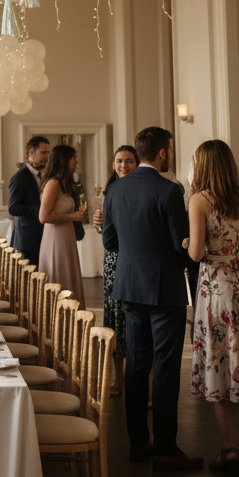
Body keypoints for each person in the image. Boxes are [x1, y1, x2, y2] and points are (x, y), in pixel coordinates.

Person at [103, 125, 203, 472]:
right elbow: (181, 245)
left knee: (136, 365)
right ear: (163, 152)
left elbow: (109, 242)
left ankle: (137, 443)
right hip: (164, 289)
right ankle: (164, 448)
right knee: (166, 368)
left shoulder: (115, 191)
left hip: (130, 287)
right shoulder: (169, 190)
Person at [188, 140, 239, 476]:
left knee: (222, 361)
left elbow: (194, 253)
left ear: (203, 166)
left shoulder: (199, 200)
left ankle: (229, 449)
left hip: (218, 286)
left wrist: (186, 243)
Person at [94, 145, 139, 396]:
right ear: (113, 165)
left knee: (137, 319)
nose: (124, 165)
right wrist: (99, 225)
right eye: (119, 161)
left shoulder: (143, 187)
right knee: (114, 317)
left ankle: (143, 382)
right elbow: (108, 232)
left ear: (137, 163)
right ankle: (118, 378)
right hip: (114, 260)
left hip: (136, 258)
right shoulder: (111, 190)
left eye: (129, 161)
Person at [38, 144, 86, 306]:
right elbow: (43, 217)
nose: (76, 162)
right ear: (64, 160)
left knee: (68, 274)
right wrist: (73, 216)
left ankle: (71, 319)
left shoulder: (64, 183)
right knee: (59, 275)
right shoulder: (53, 184)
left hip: (66, 236)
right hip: (55, 240)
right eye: (74, 158)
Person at [7, 135, 50, 267]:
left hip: (42, 236)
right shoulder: (19, 177)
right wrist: (41, 209)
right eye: (43, 152)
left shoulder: (44, 175)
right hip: (26, 240)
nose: (46, 156)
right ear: (31, 153)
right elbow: (13, 208)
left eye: (48, 153)